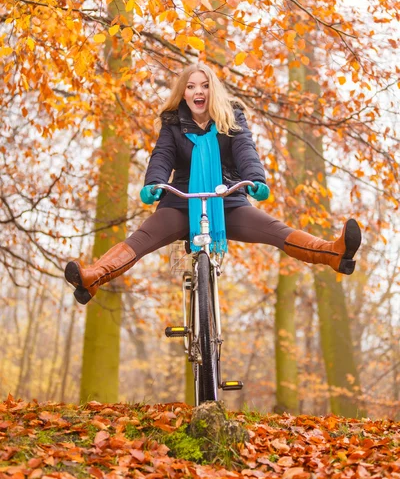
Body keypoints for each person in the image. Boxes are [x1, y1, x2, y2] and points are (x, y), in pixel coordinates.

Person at [64, 63, 362, 304]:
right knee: (141, 239)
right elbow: (162, 155)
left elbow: (245, 149)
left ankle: (335, 253)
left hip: (226, 198)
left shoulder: (232, 118)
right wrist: (153, 183)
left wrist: (256, 180)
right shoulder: (172, 123)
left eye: (205, 85)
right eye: (191, 86)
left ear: (213, 90)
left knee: (275, 230)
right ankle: (91, 278)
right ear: (183, 93)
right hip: (181, 201)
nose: (198, 91)